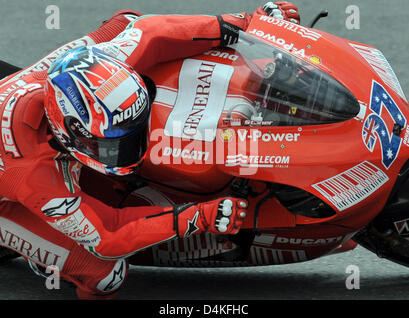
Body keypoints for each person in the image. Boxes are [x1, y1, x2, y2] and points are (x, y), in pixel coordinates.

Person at [0, 2, 300, 299]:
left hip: (26, 103)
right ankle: (46, 257)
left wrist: (246, 26)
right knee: (105, 274)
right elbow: (109, 236)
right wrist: (197, 217)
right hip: (8, 195)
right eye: (110, 143)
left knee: (126, 21)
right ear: (68, 128)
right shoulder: (33, 177)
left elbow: (147, 31)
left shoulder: (86, 66)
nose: (127, 149)